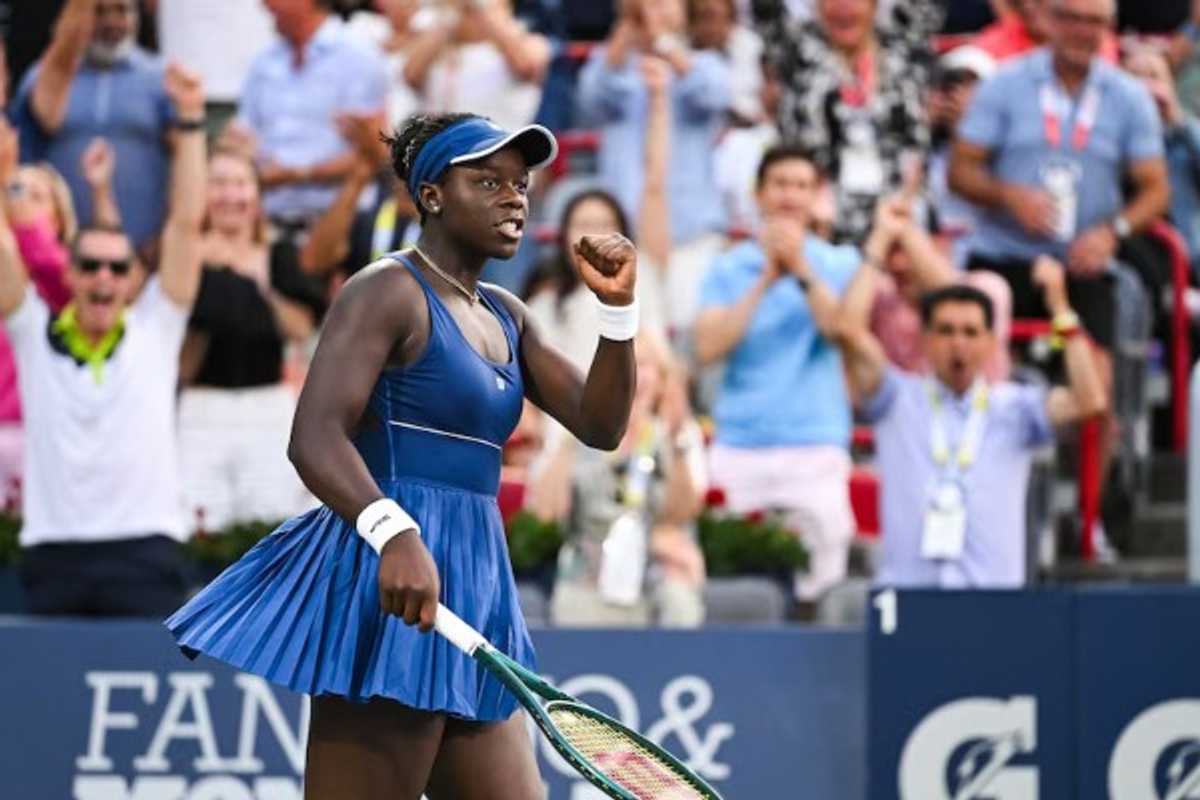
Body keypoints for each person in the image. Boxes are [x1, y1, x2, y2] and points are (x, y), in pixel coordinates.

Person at [166, 113, 639, 799]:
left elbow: (602, 423)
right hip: (392, 580)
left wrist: (617, 314)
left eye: (522, 184)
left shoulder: (509, 313)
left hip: (476, 585)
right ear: (432, 195)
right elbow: (315, 437)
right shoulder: (384, 289)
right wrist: (394, 533)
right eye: (489, 181)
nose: (516, 198)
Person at [3, 64, 207, 616]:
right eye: (90, 265)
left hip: (146, 553)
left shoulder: (156, 329)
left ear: (130, 279)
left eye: (117, 268)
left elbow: (187, 224)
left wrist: (190, 123)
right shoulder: (31, 333)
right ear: (69, 273)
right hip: (53, 554)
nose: (103, 278)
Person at [834, 259, 1107, 587]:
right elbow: (847, 331)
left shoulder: (1015, 406)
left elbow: (1090, 400)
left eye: (970, 332)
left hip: (991, 598)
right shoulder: (896, 398)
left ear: (991, 342)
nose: (958, 343)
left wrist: (1061, 309)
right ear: (926, 339)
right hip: (906, 595)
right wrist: (878, 245)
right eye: (946, 330)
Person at [693, 145, 860, 602]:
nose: (790, 196)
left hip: (816, 444)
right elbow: (707, 347)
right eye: (781, 184)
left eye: (802, 185)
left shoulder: (841, 262)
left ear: (815, 197)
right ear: (759, 194)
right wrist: (766, 277)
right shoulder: (728, 268)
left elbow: (843, 330)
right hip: (741, 442)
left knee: (822, 586)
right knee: (731, 579)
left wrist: (800, 269)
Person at [177, 145, 326, 532]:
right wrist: (205, 277)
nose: (230, 195)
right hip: (202, 407)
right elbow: (182, 363)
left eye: (240, 184)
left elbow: (300, 328)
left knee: (268, 525)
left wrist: (259, 283)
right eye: (219, 184)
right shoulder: (183, 258)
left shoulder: (277, 255)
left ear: (256, 195)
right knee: (201, 526)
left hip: (267, 406)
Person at [578, 0, 731, 331]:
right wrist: (627, 32)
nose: (652, 9)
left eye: (663, 2)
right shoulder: (613, 65)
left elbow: (714, 94)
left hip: (692, 236)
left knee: (691, 341)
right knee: (627, 339)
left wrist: (663, 41)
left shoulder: (704, 63)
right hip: (624, 234)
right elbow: (591, 98)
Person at [751, 0, 944, 243]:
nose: (843, 6)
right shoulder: (797, 52)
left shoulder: (904, 49)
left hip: (901, 220)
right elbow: (766, 10)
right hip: (820, 227)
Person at [551, 330, 708, 628]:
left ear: (662, 380)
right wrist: (568, 439)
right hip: (590, 574)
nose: (635, 374)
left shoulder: (678, 436)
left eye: (645, 364)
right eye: (627, 364)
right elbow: (549, 512)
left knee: (678, 599)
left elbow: (680, 515)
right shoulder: (580, 437)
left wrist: (677, 443)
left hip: (656, 575)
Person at [10, 0, 178, 247]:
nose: (110, 22)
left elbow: (181, 159)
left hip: (144, 251)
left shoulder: (163, 78)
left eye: (121, 10)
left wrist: (167, 235)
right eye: (99, 11)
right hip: (57, 250)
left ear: (137, 16)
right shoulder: (43, 76)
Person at [235, 0, 388, 228]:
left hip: (343, 225)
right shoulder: (263, 62)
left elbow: (374, 153)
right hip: (270, 222)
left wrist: (297, 174)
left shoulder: (359, 57)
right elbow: (243, 136)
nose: (265, 4)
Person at [402, 0, 552, 132]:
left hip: (502, 147)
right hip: (448, 150)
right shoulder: (434, 48)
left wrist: (484, 7)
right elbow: (410, 76)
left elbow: (526, 66)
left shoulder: (529, 42)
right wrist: (449, 17)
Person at [972, 0, 1119, 63]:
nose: (1028, 7)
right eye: (1019, 1)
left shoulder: (1089, 37)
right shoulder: (991, 42)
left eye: (1038, 1)